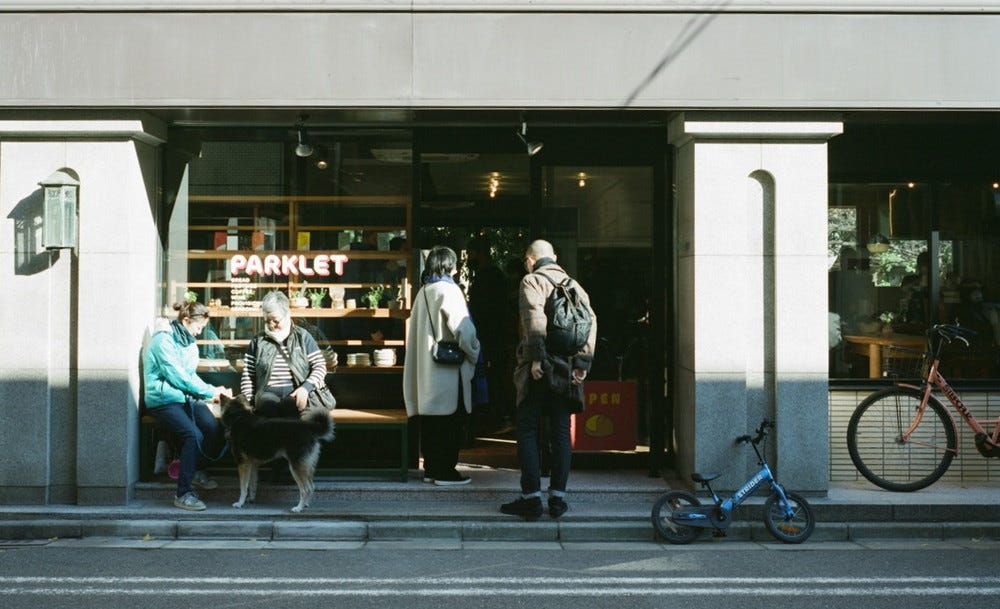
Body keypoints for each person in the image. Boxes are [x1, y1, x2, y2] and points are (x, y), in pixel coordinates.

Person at [501, 239, 597, 520]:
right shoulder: (575, 285)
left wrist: (536, 359)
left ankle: (531, 499)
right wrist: (582, 363)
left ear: (530, 260)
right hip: (567, 372)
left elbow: (534, 321)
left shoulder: (532, 281)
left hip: (540, 369)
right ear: (553, 257)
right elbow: (590, 324)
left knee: (528, 428)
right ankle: (557, 500)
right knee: (561, 432)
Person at [403, 246, 481, 486]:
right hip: (448, 370)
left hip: (426, 369)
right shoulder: (450, 291)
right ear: (450, 266)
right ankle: (446, 471)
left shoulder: (423, 291)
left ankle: (432, 470)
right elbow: (463, 329)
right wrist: (475, 350)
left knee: (431, 421)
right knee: (450, 421)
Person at [143, 301, 232, 511]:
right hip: (163, 400)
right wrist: (212, 393)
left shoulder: (190, 342)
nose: (199, 333)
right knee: (193, 436)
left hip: (184, 397)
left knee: (212, 426)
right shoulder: (162, 341)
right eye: (198, 328)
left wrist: (213, 390)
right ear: (185, 321)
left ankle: (197, 471)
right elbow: (178, 377)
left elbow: (191, 376)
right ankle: (183, 493)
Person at [240, 291, 332, 418]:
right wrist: (249, 403)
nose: (272, 325)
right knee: (267, 406)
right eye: (267, 321)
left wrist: (306, 388)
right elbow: (248, 376)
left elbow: (320, 366)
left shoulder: (303, 337)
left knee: (292, 408)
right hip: (266, 397)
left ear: (287, 314)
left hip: (297, 393)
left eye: (276, 321)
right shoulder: (257, 342)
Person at [465, 234, 517, 433]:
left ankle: (501, 417)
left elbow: (487, 310)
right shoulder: (491, 274)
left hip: (491, 337)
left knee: (493, 378)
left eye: (471, 253)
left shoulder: (489, 275)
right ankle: (498, 417)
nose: (469, 258)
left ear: (480, 254)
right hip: (492, 336)